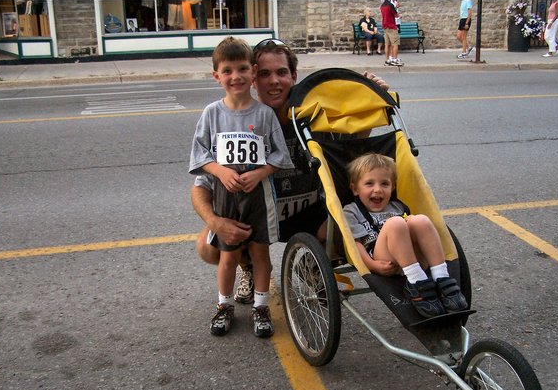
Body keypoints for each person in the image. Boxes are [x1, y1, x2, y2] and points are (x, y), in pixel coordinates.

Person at [191, 38, 389, 318]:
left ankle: (313, 265)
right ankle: (247, 265)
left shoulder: (314, 115)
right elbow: (201, 186)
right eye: (265, 74)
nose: (274, 81)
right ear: (254, 78)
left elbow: (351, 147)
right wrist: (215, 222)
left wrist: (371, 99)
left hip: (308, 212)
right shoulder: (237, 123)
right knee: (208, 247)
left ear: (294, 76)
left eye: (281, 72)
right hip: (257, 212)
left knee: (345, 226)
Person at [189, 36, 293, 338]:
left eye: (243, 69)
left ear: (253, 71)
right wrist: (220, 171)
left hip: (258, 195)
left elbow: (280, 155)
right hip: (225, 195)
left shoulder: (264, 114)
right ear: (216, 75)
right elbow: (200, 153)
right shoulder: (212, 113)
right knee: (228, 255)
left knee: (261, 253)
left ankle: (261, 307)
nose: (236, 76)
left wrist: (261, 173)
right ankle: (224, 305)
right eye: (228, 70)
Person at [343, 152, 467, 319]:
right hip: (382, 258)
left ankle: (441, 277)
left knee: (421, 220)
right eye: (369, 183)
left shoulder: (398, 206)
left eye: (385, 183)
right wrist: (372, 265)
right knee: (396, 223)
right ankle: (416, 282)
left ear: (393, 187)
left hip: (412, 257)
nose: (377, 189)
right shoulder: (352, 211)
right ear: (355, 189)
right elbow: (354, 244)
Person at [380, 0, 403, 66]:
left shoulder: (382, 6)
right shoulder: (390, 5)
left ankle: (387, 60)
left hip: (385, 26)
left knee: (387, 44)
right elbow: (396, 15)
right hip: (392, 26)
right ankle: (394, 60)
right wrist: (400, 15)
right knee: (395, 44)